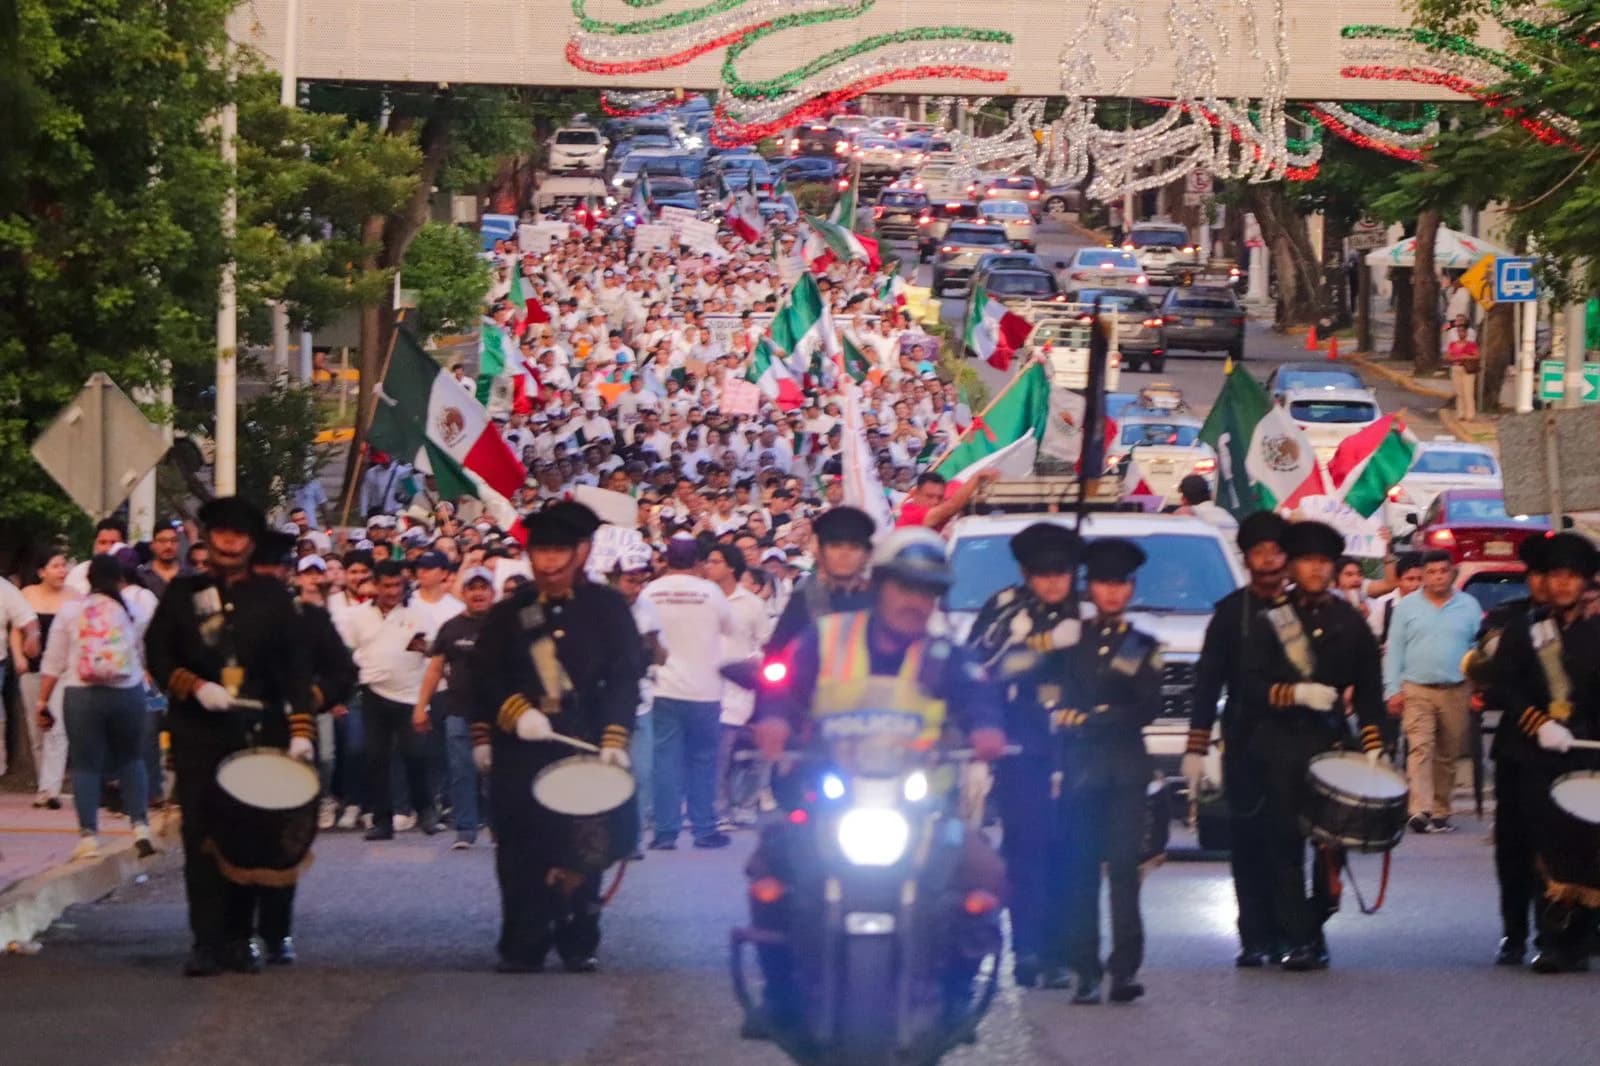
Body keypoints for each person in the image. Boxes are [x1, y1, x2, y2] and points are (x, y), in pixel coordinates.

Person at [747, 527, 1008, 1033]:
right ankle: (778, 995)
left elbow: (980, 697)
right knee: (769, 868)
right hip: (830, 798)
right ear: (879, 585)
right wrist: (773, 720)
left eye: (929, 591)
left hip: (922, 808)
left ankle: (957, 996)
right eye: (905, 586)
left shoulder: (945, 656)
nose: (916, 601)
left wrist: (988, 729)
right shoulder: (826, 639)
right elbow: (781, 686)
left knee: (985, 874)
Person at [469, 504, 645, 973]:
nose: (548, 564)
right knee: (520, 849)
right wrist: (515, 712)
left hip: (584, 741)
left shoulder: (607, 609)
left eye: (557, 553)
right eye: (540, 553)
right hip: (523, 750)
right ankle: (523, 942)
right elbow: (483, 677)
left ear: (578, 554)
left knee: (585, 844)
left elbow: (625, 677)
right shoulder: (511, 613)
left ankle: (578, 937)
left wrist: (614, 737)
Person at [144, 497, 316, 976]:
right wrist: (194, 686)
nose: (229, 542)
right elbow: (158, 653)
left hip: (256, 731)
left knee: (248, 838)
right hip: (200, 732)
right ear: (208, 538)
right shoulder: (184, 593)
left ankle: (240, 938)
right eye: (221, 532)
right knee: (202, 837)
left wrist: (301, 728)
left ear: (251, 543)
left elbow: (295, 668)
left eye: (238, 534)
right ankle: (206, 941)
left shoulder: (273, 598)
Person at [1235, 519, 1389, 971]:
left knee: (1331, 846)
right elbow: (1249, 686)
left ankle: (1315, 922)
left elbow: (1370, 692)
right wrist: (1295, 693)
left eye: (1324, 561)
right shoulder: (1271, 619)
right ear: (1291, 567)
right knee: (1284, 845)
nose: (1317, 570)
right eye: (1307, 561)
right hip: (1280, 744)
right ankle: (1300, 939)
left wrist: (1374, 743)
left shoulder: (1351, 623)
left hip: (1331, 742)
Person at [964, 522, 1083, 988]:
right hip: (1023, 747)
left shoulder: (1086, 612)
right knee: (1028, 850)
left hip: (1076, 747)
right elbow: (980, 668)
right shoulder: (1005, 609)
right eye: (1043, 574)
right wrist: (1036, 644)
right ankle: (1029, 949)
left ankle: (1065, 949)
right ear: (1026, 573)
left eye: (1061, 573)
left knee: (1071, 850)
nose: (1053, 583)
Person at [1054, 539, 1162, 1004]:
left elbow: (1147, 706)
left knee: (1122, 869)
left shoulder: (1141, 644)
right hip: (1079, 768)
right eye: (1103, 583)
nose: (1112, 592)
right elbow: (1052, 695)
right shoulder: (1068, 641)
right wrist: (1071, 713)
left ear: (1131, 589)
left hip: (1124, 769)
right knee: (1079, 870)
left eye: (1121, 583)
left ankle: (1124, 969)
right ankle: (1084, 969)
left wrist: (1096, 716)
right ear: (1089, 588)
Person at [1184, 510, 1290, 966]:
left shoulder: (1302, 611)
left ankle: (1293, 933)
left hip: (1294, 743)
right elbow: (1207, 682)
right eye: (1259, 552)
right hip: (1244, 742)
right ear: (1247, 560)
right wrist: (1196, 746)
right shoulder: (1229, 613)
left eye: (1276, 552)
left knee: (1288, 843)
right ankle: (1254, 937)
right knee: (1246, 842)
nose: (1268, 561)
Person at [1491, 532, 1600, 974]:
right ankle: (1543, 938)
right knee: (1538, 846)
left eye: (1573, 576)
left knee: (1584, 846)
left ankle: (1578, 939)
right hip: (1533, 754)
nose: (1564, 584)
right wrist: (1539, 724)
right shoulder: (1524, 629)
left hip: (1584, 754)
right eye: (1557, 575)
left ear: (1585, 582)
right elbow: (1504, 685)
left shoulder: (1596, 633)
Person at [34, 554, 156, 861]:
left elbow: (53, 662)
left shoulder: (71, 610)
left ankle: (89, 838)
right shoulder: (134, 611)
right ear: (121, 579)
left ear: (88, 580)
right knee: (131, 759)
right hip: (127, 693)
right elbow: (144, 656)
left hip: (82, 695)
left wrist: (42, 701)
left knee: (86, 766)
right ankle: (141, 828)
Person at [1470, 535, 1550, 965]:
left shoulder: (1586, 626)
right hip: (1519, 751)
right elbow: (1497, 683)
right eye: (1537, 575)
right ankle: (1514, 933)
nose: (1545, 583)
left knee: (1560, 847)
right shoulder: (1512, 620)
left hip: (1572, 752)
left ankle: (1558, 931)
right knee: (1514, 848)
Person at [642, 536, 734, 850]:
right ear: (697, 562)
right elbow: (729, 627)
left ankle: (666, 832)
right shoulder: (711, 592)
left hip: (663, 687)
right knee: (703, 761)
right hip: (705, 688)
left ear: (667, 559)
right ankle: (704, 829)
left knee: (665, 762)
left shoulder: (651, 591)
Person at [1382, 549, 1483, 834]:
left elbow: (1477, 649)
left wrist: (1478, 686)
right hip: (1417, 689)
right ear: (1424, 576)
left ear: (1452, 573)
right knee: (1420, 748)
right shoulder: (1407, 607)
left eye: (1443, 571)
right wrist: (1392, 689)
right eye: (1432, 572)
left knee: (1448, 753)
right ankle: (1419, 809)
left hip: (1457, 688)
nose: (1438, 577)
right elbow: (1395, 650)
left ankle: (1440, 810)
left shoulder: (1469, 606)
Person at [342, 559, 440, 840]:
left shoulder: (419, 613)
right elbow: (347, 651)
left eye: (397, 585)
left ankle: (425, 809)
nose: (393, 591)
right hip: (372, 692)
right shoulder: (357, 615)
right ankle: (382, 821)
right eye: (386, 586)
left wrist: (425, 647)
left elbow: (436, 651)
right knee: (375, 757)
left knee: (414, 754)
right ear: (375, 585)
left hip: (410, 695)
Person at [414, 566, 496, 849]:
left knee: (497, 774)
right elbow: (435, 669)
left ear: (492, 592)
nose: (478, 593)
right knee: (461, 772)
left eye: (483, 588)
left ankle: (500, 828)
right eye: (472, 588)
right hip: (459, 711)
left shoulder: (505, 625)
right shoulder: (451, 627)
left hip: (499, 713)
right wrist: (421, 706)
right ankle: (465, 831)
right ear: (463, 593)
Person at [705, 544, 771, 831]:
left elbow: (764, 641)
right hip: (707, 687)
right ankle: (719, 810)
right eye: (708, 561)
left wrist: (752, 663)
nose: (709, 566)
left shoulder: (752, 604)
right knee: (717, 756)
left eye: (715, 562)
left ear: (731, 567)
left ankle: (745, 806)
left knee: (748, 755)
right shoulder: (703, 599)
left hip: (743, 689)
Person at [766, 505, 875, 650]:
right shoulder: (804, 595)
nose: (844, 554)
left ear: (867, 555)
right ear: (820, 552)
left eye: (854, 547)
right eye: (835, 546)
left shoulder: (881, 598)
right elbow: (778, 648)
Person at [15, 552, 69, 808]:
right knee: (36, 730)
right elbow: (16, 629)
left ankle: (51, 788)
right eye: (55, 566)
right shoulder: (27, 594)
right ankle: (43, 786)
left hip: (62, 673)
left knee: (56, 728)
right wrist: (19, 657)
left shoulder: (74, 597)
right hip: (33, 669)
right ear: (41, 571)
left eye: (64, 565)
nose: (62, 570)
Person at [894, 468, 998, 531]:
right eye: (929, 496)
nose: (935, 502)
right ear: (915, 494)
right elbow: (952, 506)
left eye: (940, 497)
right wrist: (976, 477)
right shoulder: (912, 515)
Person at [1444, 315, 1480, 421]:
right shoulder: (1452, 343)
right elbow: (1447, 356)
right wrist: (1454, 358)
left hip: (1467, 369)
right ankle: (1461, 413)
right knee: (1459, 393)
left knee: (1468, 392)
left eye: (1462, 331)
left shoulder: (1471, 343)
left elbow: (1477, 355)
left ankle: (1470, 414)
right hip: (1456, 368)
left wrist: (1466, 356)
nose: (1461, 334)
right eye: (1459, 332)